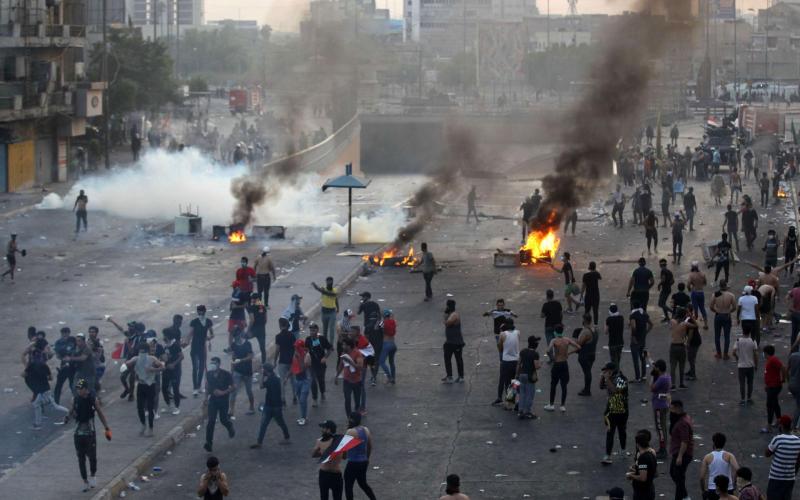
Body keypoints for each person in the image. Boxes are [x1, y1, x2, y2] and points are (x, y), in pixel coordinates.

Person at [65, 378, 110, 492]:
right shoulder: (75, 399)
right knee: (81, 458)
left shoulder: (92, 399)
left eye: (80, 389)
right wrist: (67, 417)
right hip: (78, 433)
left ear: (86, 389)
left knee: (92, 457)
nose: (78, 391)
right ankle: (85, 481)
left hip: (90, 433)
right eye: (78, 389)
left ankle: (93, 475)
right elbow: (72, 411)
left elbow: (100, 413)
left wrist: (106, 428)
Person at [28, 338, 69, 429]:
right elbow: (49, 377)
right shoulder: (40, 359)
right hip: (43, 388)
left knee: (45, 405)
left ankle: (38, 424)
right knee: (48, 405)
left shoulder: (38, 358)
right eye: (47, 347)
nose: (48, 349)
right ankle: (38, 424)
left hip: (44, 388)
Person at [124, 344, 163, 436]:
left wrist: (153, 369)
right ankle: (143, 424)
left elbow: (162, 367)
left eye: (143, 351)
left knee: (150, 407)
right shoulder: (136, 358)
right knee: (139, 407)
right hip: (141, 385)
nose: (142, 353)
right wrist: (129, 363)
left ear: (147, 351)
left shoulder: (152, 358)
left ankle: (151, 428)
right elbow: (127, 363)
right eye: (140, 351)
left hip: (150, 385)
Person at [250, 363, 290, 448]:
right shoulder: (275, 378)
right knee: (280, 423)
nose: (262, 371)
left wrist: (262, 376)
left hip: (271, 406)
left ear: (266, 370)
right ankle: (286, 437)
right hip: (275, 405)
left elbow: (261, 386)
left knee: (264, 424)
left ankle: (259, 442)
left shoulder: (271, 379)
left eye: (263, 369)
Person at [544, 324, 581, 412]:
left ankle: (551, 404)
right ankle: (562, 405)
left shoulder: (554, 340)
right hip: (564, 364)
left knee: (553, 384)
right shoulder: (567, 340)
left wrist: (552, 356)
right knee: (564, 385)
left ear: (555, 332)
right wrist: (569, 353)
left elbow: (548, 350)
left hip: (557, 364)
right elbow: (578, 347)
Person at [204, 356, 235, 452]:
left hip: (223, 401)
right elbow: (207, 386)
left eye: (214, 363)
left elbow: (233, 387)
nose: (212, 365)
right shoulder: (209, 374)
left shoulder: (226, 374)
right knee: (211, 421)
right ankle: (209, 443)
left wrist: (223, 392)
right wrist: (205, 398)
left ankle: (229, 426)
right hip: (213, 400)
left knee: (223, 419)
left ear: (219, 364)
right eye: (211, 363)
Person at [765, 414, 800, 499]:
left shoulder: (778, 439)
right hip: (790, 478)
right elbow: (798, 461)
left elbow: (767, 454)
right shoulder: (798, 441)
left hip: (776, 477)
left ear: (781, 426)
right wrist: (793, 473)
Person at [344, 412, 377, 500]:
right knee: (363, 483)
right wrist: (367, 458)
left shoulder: (350, 431)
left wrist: (344, 456)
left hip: (353, 463)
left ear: (351, 419)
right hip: (363, 461)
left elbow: (344, 447)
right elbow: (369, 446)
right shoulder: (366, 429)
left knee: (348, 486)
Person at [601, 362, 629, 464]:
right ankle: (607, 455)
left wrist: (607, 379)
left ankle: (623, 450)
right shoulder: (609, 378)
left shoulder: (621, 379)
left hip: (621, 410)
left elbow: (615, 391)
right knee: (610, 432)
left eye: (607, 370)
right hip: (611, 410)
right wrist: (602, 378)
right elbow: (601, 386)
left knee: (622, 431)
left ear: (611, 370)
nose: (605, 372)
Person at [699, 433, 740, 500]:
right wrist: (734, 483)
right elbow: (738, 470)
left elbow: (702, 477)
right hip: (727, 488)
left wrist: (703, 490)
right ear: (724, 443)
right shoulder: (729, 455)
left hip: (712, 488)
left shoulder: (707, 457)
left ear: (714, 443)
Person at [185, 305, 214, 397]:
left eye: (201, 311)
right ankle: (195, 388)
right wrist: (186, 341)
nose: (200, 313)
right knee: (195, 367)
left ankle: (199, 386)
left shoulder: (208, 321)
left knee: (201, 367)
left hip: (202, 347)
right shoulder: (194, 322)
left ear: (204, 311)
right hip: (194, 346)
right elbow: (190, 333)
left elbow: (212, 334)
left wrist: (209, 338)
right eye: (199, 311)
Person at [313, 420, 344, 500]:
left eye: (323, 428)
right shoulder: (341, 441)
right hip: (336, 474)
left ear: (329, 430)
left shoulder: (319, 441)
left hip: (324, 474)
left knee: (324, 497)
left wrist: (323, 452)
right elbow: (344, 456)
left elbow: (313, 454)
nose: (322, 430)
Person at [669, 400, 694, 500]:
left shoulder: (683, 423)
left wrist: (680, 456)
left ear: (677, 408)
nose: (670, 410)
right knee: (676, 475)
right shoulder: (683, 418)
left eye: (672, 408)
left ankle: (683, 497)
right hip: (678, 451)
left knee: (678, 477)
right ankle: (685, 495)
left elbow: (684, 441)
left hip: (683, 453)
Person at [357, 291, 382, 385]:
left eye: (363, 297)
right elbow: (379, 316)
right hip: (377, 337)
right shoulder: (375, 304)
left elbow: (358, 312)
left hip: (368, 330)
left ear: (366, 297)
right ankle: (374, 376)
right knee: (376, 358)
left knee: (369, 355)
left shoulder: (364, 305)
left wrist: (360, 303)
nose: (362, 298)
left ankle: (371, 375)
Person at [229, 328, 255, 418]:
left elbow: (250, 356)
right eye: (234, 336)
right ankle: (231, 410)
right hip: (237, 371)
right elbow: (233, 357)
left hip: (247, 371)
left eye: (236, 336)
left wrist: (241, 360)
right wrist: (232, 371)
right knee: (233, 391)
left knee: (249, 391)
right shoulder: (233, 345)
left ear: (240, 334)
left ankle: (252, 407)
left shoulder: (247, 344)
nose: (235, 338)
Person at [493, 320, 520, 405]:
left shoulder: (502, 334)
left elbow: (500, 348)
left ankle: (500, 398)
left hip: (506, 361)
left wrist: (501, 330)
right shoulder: (518, 332)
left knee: (503, 380)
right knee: (513, 381)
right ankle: (511, 400)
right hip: (516, 360)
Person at [306, 322, 333, 405]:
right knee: (313, 381)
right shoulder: (308, 339)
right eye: (311, 330)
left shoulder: (322, 338)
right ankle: (314, 399)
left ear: (317, 330)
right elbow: (305, 350)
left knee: (321, 380)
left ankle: (322, 392)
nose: (312, 332)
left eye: (313, 330)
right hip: (312, 364)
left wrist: (325, 357)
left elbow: (330, 349)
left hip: (321, 364)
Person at [626, 429, 658, 500]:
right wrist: (636, 470)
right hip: (648, 489)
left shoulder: (643, 458)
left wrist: (631, 476)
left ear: (638, 444)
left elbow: (643, 478)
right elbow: (650, 472)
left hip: (643, 493)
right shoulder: (651, 454)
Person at [337, 338, 364, 417]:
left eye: (344, 345)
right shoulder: (343, 353)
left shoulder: (357, 353)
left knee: (357, 400)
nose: (342, 346)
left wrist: (350, 361)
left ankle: (356, 415)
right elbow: (341, 365)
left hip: (356, 381)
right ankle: (349, 417)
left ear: (349, 346)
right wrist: (337, 376)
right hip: (347, 380)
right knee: (347, 399)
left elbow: (360, 367)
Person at [732, 326, 759, 406]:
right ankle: (749, 398)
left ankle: (743, 399)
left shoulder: (738, 340)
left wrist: (737, 358)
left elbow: (733, 352)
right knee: (750, 383)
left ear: (743, 331)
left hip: (741, 366)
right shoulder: (753, 341)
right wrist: (756, 365)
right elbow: (755, 354)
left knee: (742, 383)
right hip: (750, 365)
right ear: (750, 332)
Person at [650, 359, 671, 459]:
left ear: (658, 368)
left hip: (659, 406)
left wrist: (652, 377)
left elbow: (652, 388)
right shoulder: (667, 376)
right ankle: (663, 448)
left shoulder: (661, 378)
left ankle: (663, 450)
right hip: (663, 404)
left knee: (660, 428)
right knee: (662, 427)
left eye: (655, 367)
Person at [710, 280, 737, 359]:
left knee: (717, 336)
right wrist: (729, 311)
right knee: (727, 336)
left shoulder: (715, 294)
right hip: (726, 316)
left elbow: (711, 307)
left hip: (718, 315)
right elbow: (734, 307)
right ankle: (725, 354)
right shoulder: (731, 295)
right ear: (726, 285)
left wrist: (716, 311)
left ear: (719, 286)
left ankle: (719, 353)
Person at [763, 345, 786, 434]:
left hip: (774, 386)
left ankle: (769, 426)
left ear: (766, 353)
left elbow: (782, 367)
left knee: (770, 405)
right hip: (771, 386)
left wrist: (783, 379)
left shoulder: (773, 360)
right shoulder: (770, 360)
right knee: (775, 403)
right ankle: (779, 421)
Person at [516, 335, 541, 420]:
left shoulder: (523, 351)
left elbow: (519, 363)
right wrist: (540, 364)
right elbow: (536, 366)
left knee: (522, 393)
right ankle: (527, 412)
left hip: (522, 375)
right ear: (535, 344)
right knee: (529, 394)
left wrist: (517, 374)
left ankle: (520, 411)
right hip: (530, 376)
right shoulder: (535, 354)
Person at [668, 308, 693, 390]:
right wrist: (691, 317)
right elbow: (696, 325)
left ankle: (673, 385)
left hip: (673, 346)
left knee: (673, 366)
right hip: (681, 346)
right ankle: (681, 383)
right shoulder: (685, 324)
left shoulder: (672, 321)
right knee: (682, 366)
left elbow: (670, 327)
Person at [441, 299, 465, 383]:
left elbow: (447, 323)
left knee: (458, 359)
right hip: (450, 342)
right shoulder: (450, 314)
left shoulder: (454, 315)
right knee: (447, 358)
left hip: (456, 342)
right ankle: (449, 376)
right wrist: (446, 314)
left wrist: (445, 316)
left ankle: (461, 376)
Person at [629, 301, 653, 383]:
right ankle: (644, 375)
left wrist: (633, 337)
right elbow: (651, 324)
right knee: (642, 357)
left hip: (636, 339)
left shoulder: (633, 315)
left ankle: (637, 377)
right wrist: (646, 332)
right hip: (642, 339)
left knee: (635, 359)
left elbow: (634, 327)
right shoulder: (644, 314)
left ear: (633, 306)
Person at [274, 317, 296, 406]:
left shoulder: (278, 336)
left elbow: (277, 350)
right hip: (291, 361)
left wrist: (275, 361)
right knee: (293, 380)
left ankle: (283, 399)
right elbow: (295, 348)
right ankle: (295, 396)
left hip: (282, 361)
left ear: (280, 325)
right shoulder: (292, 335)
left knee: (282, 381)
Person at [161, 331, 183, 416]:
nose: (163, 337)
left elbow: (181, 356)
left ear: (168, 336)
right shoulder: (165, 345)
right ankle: (168, 405)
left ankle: (177, 407)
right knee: (164, 388)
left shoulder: (175, 345)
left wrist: (173, 364)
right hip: (166, 370)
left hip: (175, 371)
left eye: (164, 335)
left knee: (175, 389)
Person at [53, 326, 76, 405]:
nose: (65, 335)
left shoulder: (73, 340)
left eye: (66, 333)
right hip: (63, 366)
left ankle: (77, 401)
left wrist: (71, 357)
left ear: (69, 333)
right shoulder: (58, 343)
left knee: (72, 384)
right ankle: (56, 403)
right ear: (61, 334)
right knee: (59, 385)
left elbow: (78, 349)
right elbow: (57, 355)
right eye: (63, 333)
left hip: (73, 366)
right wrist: (63, 358)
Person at [576, 314, 598, 396]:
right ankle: (586, 388)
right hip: (592, 353)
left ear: (584, 320)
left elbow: (579, 343)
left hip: (585, 355)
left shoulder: (585, 331)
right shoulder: (594, 330)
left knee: (587, 372)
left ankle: (587, 390)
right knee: (588, 371)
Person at [313, 277, 340, 345]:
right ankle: (325, 344)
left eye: (331, 282)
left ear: (332, 282)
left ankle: (331, 345)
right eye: (328, 281)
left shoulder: (334, 290)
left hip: (332, 312)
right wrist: (317, 288)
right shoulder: (323, 289)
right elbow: (323, 291)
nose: (329, 283)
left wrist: (338, 307)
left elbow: (334, 297)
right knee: (325, 329)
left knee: (331, 329)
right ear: (326, 282)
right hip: (324, 312)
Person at [290, 339, 311, 426]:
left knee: (302, 400)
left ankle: (304, 418)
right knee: (301, 400)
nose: (296, 349)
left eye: (298, 347)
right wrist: (287, 377)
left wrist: (299, 358)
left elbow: (303, 369)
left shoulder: (307, 356)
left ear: (302, 347)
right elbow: (292, 367)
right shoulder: (295, 355)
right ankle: (303, 416)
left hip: (305, 380)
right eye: (295, 347)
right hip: (297, 380)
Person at [541, 289, 563, 363]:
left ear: (547, 296)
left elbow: (542, 315)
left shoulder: (545, 305)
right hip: (557, 326)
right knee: (558, 342)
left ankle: (551, 358)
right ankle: (558, 357)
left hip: (548, 326)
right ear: (553, 296)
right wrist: (560, 322)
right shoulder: (558, 303)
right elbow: (561, 314)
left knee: (549, 342)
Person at [688, 261, 709, 330]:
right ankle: (706, 324)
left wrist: (690, 289)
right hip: (701, 292)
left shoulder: (691, 275)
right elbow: (705, 283)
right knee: (702, 308)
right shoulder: (702, 274)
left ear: (692, 267)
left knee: (695, 308)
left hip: (694, 292)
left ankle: (695, 323)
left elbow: (688, 284)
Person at [378, 310, 397, 384]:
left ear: (383, 316)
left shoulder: (382, 323)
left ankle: (389, 378)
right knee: (391, 362)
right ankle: (393, 378)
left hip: (386, 344)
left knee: (381, 362)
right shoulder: (393, 322)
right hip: (393, 344)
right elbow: (393, 320)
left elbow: (376, 328)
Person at [248, 295, 267, 364]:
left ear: (253, 299)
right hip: (261, 330)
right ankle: (264, 363)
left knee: (244, 339)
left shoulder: (251, 307)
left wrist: (248, 330)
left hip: (254, 330)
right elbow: (266, 319)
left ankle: (249, 353)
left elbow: (252, 320)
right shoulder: (263, 306)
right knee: (262, 348)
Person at [606, 303, 625, 367]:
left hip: (612, 342)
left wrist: (605, 324)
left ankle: (616, 371)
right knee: (618, 359)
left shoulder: (609, 319)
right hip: (620, 341)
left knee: (613, 360)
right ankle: (617, 370)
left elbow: (606, 332)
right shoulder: (621, 318)